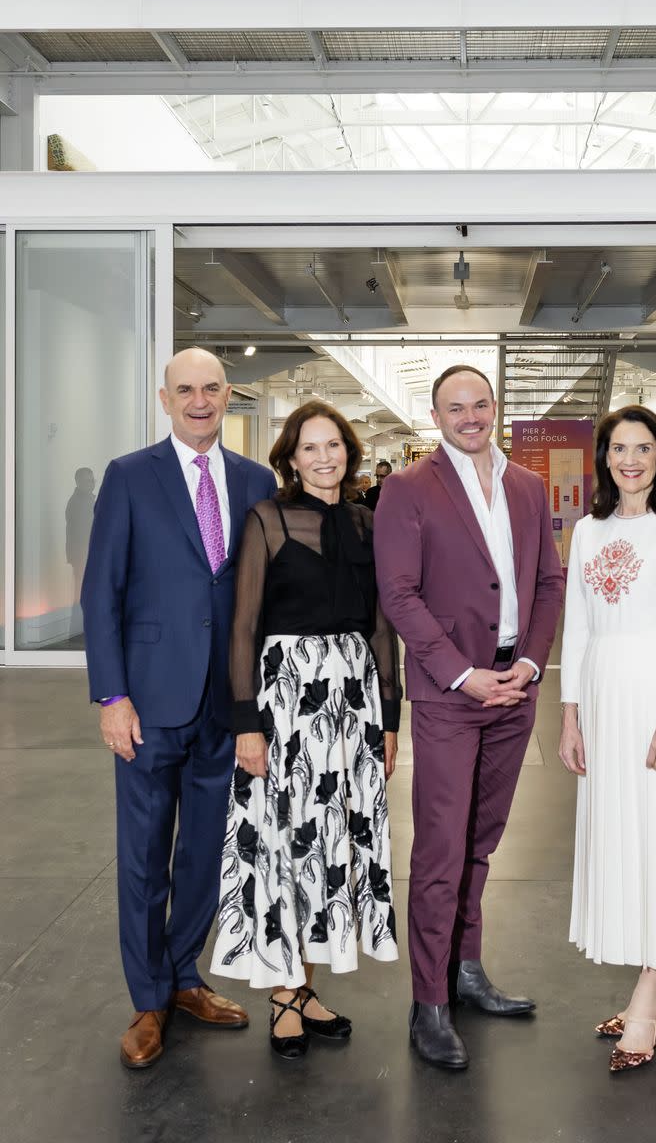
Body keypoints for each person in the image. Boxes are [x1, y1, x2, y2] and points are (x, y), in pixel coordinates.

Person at [82, 348, 277, 1069]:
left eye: (212, 389)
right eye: (185, 390)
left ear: (229, 396)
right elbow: (101, 593)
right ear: (164, 399)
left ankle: (185, 976)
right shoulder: (130, 476)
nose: (200, 401)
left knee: (203, 853)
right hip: (149, 701)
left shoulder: (256, 481)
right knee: (142, 858)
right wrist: (111, 695)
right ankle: (146, 999)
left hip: (224, 704)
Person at [374, 365, 564, 1070]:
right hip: (451, 694)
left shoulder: (526, 485)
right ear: (435, 414)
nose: (470, 416)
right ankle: (428, 1002)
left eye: (479, 404)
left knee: (482, 841)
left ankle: (466, 968)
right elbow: (398, 594)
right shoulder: (407, 489)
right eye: (455, 407)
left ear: (495, 407)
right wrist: (460, 673)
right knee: (439, 851)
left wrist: (532, 664)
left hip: (515, 688)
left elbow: (548, 580)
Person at [211, 401, 400, 1060]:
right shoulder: (266, 519)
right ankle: (284, 994)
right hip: (286, 699)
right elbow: (242, 627)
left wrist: (389, 716)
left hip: (352, 701)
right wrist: (247, 724)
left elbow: (381, 626)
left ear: (347, 453)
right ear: (290, 458)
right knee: (284, 845)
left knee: (331, 846)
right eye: (310, 448)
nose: (325, 457)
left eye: (334, 446)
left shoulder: (365, 522)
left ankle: (306, 983)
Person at [558, 406, 656, 1075]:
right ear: (603, 458)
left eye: (642, 447)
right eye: (618, 448)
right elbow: (577, 625)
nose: (630, 459)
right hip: (602, 700)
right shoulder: (589, 530)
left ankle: (650, 990)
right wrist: (568, 714)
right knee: (627, 838)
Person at [66, 465, 96, 639]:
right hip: (82, 557)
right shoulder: (79, 503)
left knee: (83, 594)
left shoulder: (86, 500)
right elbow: (83, 533)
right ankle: (78, 635)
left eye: (92, 479)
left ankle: (78, 634)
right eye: (87, 480)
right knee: (81, 596)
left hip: (84, 556)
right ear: (78, 482)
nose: (91, 483)